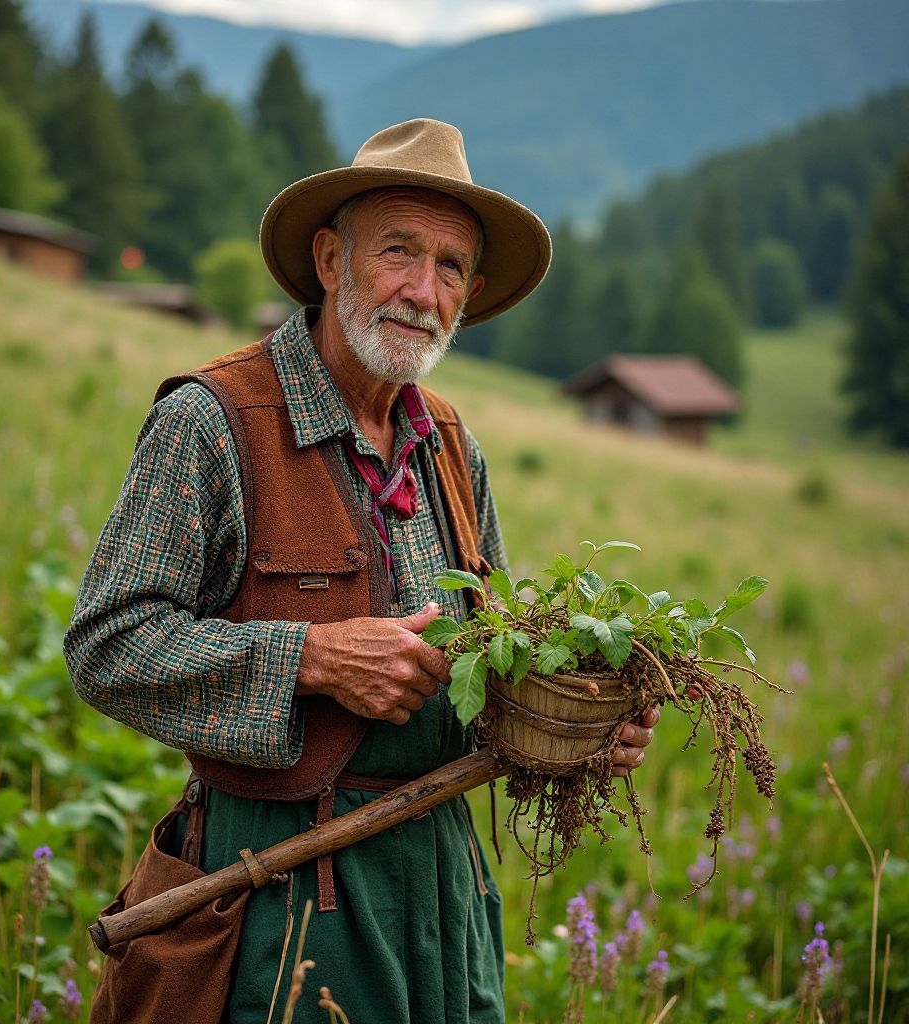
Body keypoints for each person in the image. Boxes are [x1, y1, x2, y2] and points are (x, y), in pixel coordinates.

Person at [64, 118, 659, 1024]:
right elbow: (108, 646)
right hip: (284, 889)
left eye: (452, 266)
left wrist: (569, 726)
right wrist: (314, 658)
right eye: (399, 253)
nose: (424, 291)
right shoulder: (215, 420)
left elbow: (486, 667)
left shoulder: (451, 444)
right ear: (331, 257)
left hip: (442, 886)